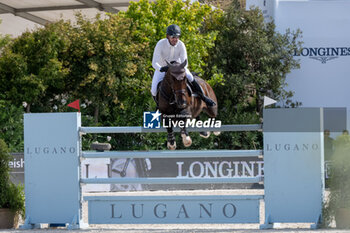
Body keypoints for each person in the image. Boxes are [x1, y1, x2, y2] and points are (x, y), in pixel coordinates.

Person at [151, 24, 216, 108]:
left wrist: (180, 70)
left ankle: (204, 97)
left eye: (177, 37)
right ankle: (158, 105)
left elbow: (185, 62)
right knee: (153, 90)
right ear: (167, 36)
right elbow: (154, 62)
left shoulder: (181, 45)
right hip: (163, 69)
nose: (175, 39)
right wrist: (161, 68)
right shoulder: (160, 44)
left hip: (178, 69)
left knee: (190, 77)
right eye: (173, 37)